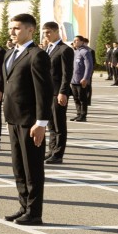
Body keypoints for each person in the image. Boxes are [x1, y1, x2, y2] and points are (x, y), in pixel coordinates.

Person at [1, 13, 52, 224]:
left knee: (32, 168)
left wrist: (41, 123)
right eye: (11, 28)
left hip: (30, 121)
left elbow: (44, 91)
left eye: (17, 28)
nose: (12, 32)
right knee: (19, 167)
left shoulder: (37, 55)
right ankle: (23, 206)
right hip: (13, 119)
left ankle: (34, 212)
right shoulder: (9, 54)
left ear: (30, 30)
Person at [42, 22, 73, 164]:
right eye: (44, 32)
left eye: (48, 32)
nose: (46, 35)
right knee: (50, 124)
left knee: (59, 123)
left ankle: (58, 153)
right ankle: (51, 150)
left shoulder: (64, 49)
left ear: (56, 32)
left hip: (57, 92)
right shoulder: (48, 48)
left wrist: (63, 92)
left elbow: (67, 74)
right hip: (47, 92)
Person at [70, 35, 95, 122]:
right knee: (76, 98)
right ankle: (78, 114)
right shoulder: (75, 51)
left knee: (82, 99)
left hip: (81, 80)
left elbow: (89, 66)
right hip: (74, 79)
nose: (75, 42)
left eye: (77, 40)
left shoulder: (85, 52)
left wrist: (85, 78)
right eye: (74, 40)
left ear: (82, 42)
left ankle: (83, 115)